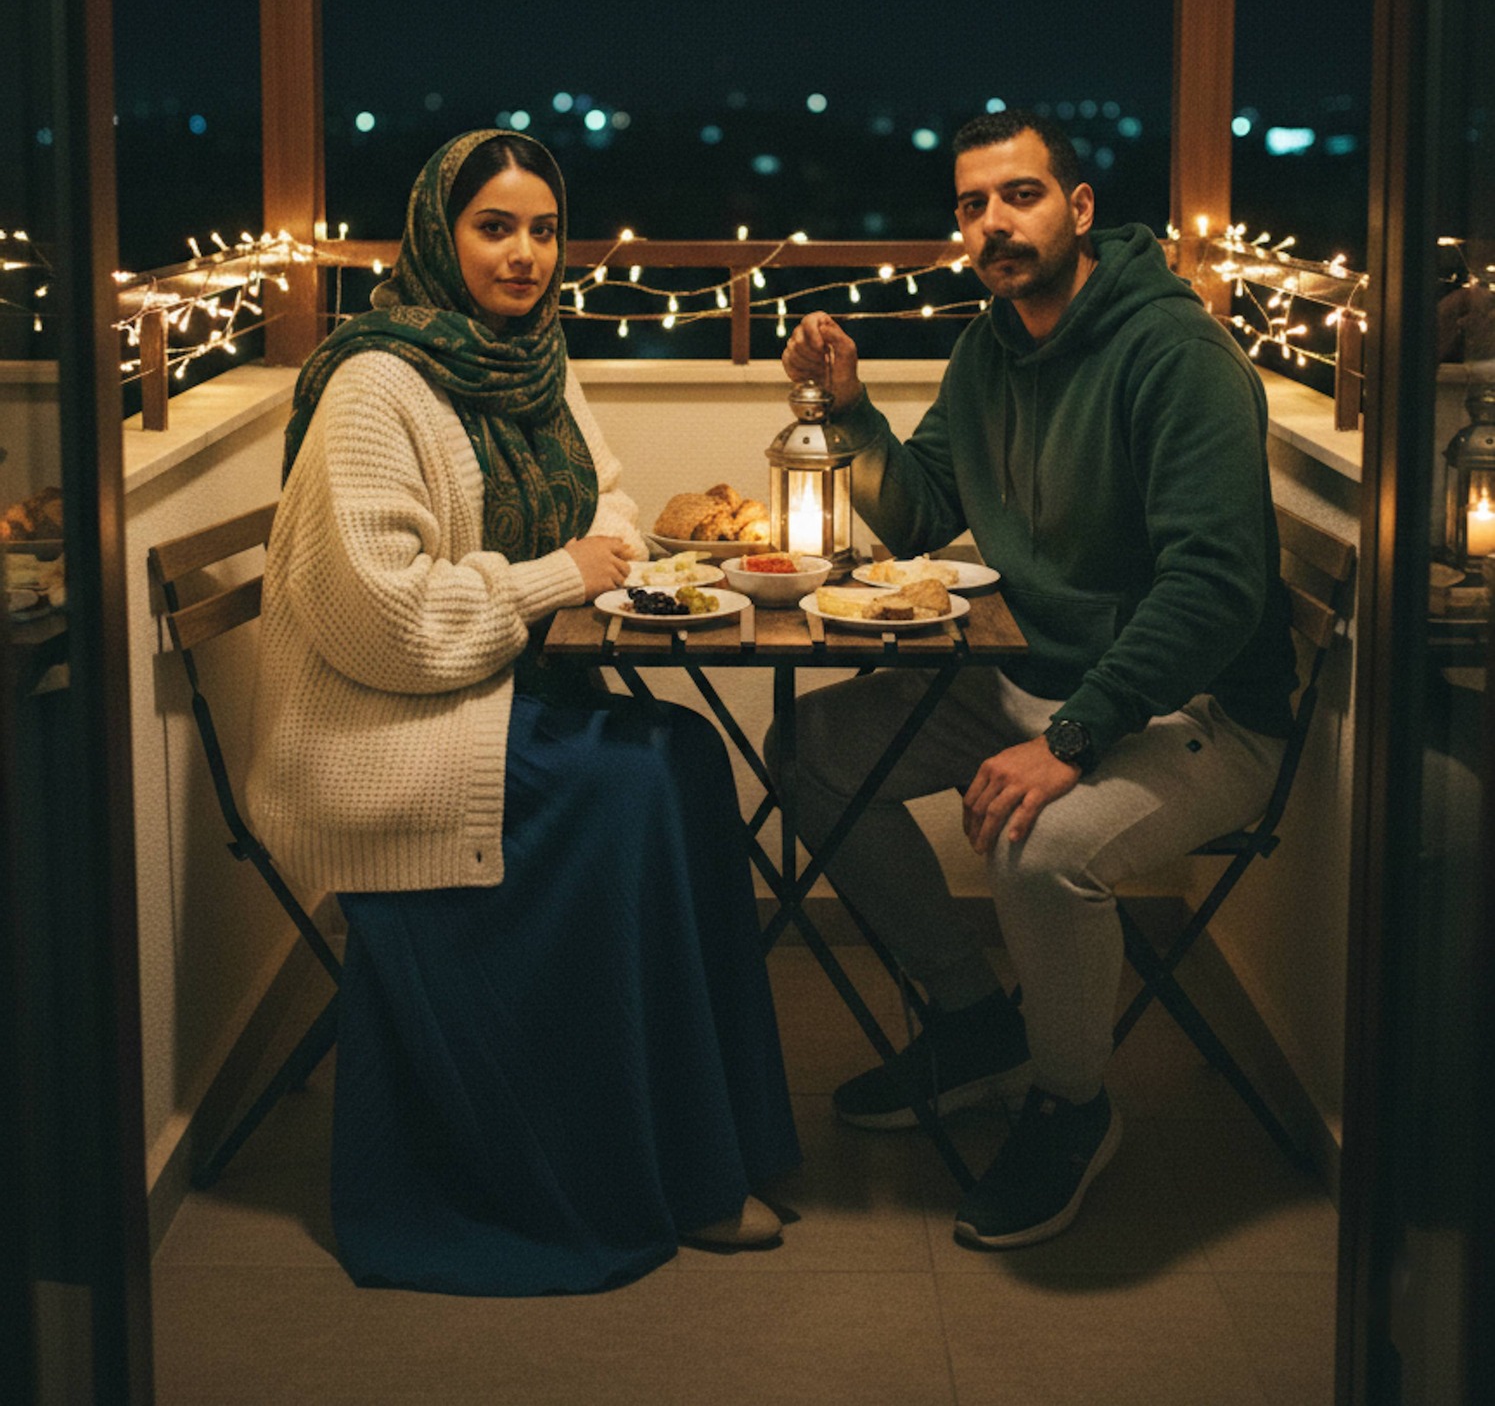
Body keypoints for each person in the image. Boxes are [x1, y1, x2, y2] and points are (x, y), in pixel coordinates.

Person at [248, 128, 798, 1295]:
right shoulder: (373, 383)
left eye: (545, 229)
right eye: (495, 226)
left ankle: (707, 1144)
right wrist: (558, 576)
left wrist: (590, 551)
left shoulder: (532, 358)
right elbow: (383, 621)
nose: (527, 255)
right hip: (384, 729)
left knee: (692, 756)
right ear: (438, 235)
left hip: (494, 691)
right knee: (636, 782)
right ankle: (638, 1173)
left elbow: (610, 495)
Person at [778, 108, 1296, 1251]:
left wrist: (1071, 737)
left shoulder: (1176, 354)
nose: (992, 222)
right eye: (970, 204)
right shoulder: (990, 345)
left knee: (1035, 842)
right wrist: (848, 408)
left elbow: (1214, 587)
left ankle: (1073, 1098)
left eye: (1017, 194)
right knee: (810, 750)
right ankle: (972, 1024)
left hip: (1198, 708)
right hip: (1039, 677)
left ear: (1079, 208)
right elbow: (920, 508)